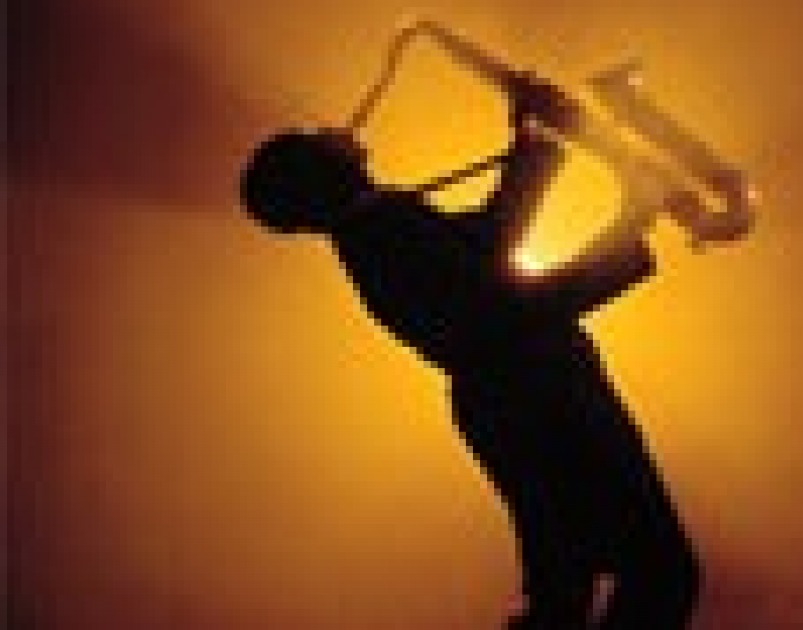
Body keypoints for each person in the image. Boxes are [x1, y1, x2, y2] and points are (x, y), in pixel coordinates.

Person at [239, 24, 700, 630]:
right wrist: (628, 226)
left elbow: (491, 239)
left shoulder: (379, 227)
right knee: (656, 572)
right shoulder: (382, 238)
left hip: (519, 404)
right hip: (539, 401)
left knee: (568, 588)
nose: (332, 130)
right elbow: (516, 314)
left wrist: (537, 141)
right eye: (314, 142)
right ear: (319, 175)